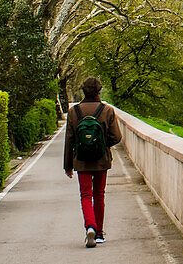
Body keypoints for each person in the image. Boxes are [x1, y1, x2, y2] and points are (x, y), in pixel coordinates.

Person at [63, 77, 122, 248]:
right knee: (99, 194)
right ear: (99, 91)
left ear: (83, 90)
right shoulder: (107, 110)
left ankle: (90, 226)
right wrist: (101, 146)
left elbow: (70, 139)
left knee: (86, 194)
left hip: (81, 160)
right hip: (101, 160)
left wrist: (68, 165)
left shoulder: (74, 112)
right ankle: (100, 234)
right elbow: (116, 137)